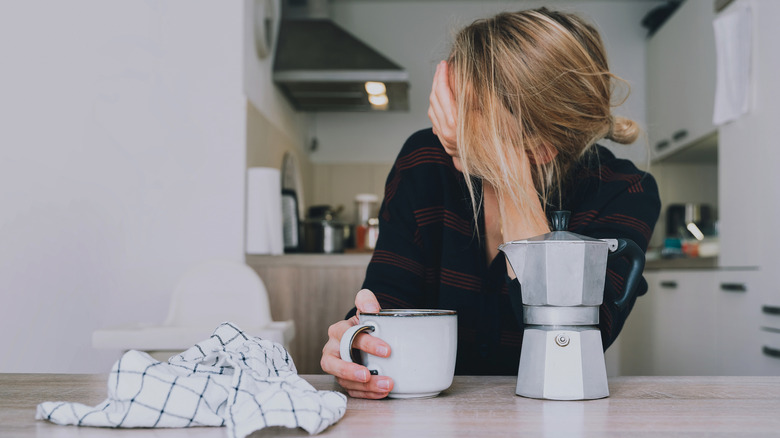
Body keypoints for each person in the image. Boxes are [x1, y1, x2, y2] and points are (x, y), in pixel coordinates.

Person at [321, 7, 661, 399]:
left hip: (557, 411)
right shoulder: (425, 162)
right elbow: (388, 304)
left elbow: (572, 335)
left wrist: (507, 179)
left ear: (542, 147)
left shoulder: (626, 191)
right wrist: (358, 349)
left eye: (474, 112)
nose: (449, 126)